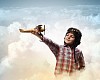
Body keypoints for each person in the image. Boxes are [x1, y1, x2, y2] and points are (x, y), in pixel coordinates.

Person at [20, 27, 85, 79]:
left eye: (72, 36)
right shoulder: (60, 48)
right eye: (67, 35)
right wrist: (39, 35)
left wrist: (76, 74)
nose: (68, 37)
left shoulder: (78, 52)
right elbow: (49, 42)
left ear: (76, 40)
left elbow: (82, 66)